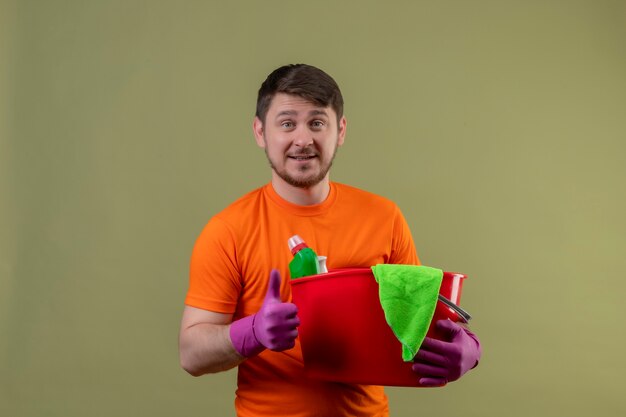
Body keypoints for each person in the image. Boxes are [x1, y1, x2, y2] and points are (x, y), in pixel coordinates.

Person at [179, 64, 481, 417]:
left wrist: (469, 351)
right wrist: (254, 331)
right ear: (261, 132)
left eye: (317, 123)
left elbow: (415, 325)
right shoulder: (227, 230)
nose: (303, 139)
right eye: (287, 123)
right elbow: (191, 354)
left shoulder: (385, 218)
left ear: (340, 130)